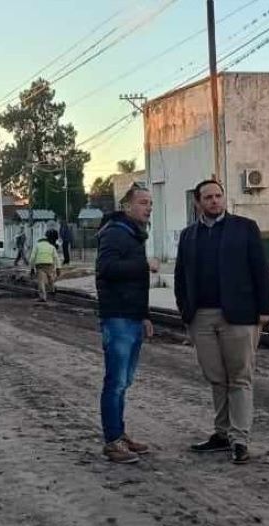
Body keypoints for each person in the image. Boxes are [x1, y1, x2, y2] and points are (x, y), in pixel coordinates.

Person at [174, 179, 269, 465]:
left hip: (240, 316)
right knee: (216, 378)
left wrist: (265, 310)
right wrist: (185, 314)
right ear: (198, 202)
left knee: (240, 377)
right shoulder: (188, 235)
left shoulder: (245, 228)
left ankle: (240, 439)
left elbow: (260, 270)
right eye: (208, 197)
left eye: (218, 196)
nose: (215, 201)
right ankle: (222, 433)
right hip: (201, 318)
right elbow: (181, 277)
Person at [95, 184, 157, 464]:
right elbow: (106, 269)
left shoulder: (133, 236)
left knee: (124, 381)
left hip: (131, 317)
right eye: (143, 203)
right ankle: (112, 441)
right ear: (127, 206)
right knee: (116, 381)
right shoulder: (115, 234)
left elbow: (137, 285)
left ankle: (119, 435)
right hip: (117, 317)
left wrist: (144, 315)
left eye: (150, 204)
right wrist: (144, 265)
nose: (148, 208)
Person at [28, 229, 61, 302]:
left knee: (41, 281)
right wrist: (58, 268)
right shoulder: (51, 246)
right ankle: (52, 290)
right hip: (50, 264)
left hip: (40, 265)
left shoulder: (37, 246)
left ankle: (43, 297)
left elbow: (32, 257)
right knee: (50, 278)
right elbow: (56, 258)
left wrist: (32, 268)